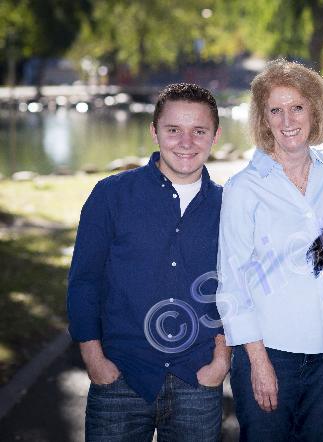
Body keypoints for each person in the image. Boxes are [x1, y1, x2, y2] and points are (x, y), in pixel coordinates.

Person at [67, 83, 231, 441]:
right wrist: (95, 361)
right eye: (173, 130)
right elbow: (84, 281)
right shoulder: (110, 195)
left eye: (199, 131)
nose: (186, 142)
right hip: (120, 377)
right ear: (154, 131)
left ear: (215, 136)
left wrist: (221, 361)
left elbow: (238, 289)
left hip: (197, 380)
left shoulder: (230, 206)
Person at [215, 59, 323, 441]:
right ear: (263, 119)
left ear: (315, 110)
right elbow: (232, 284)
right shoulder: (243, 188)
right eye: (275, 110)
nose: (287, 120)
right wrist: (258, 362)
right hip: (270, 354)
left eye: (297, 107)